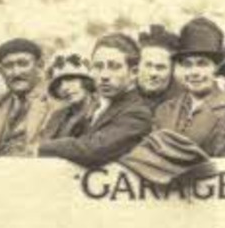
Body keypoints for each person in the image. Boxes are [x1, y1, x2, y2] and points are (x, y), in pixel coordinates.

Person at [38, 33, 154, 167]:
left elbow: (93, 149)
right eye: (98, 67)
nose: (104, 75)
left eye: (114, 67)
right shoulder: (101, 108)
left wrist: (40, 147)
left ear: (133, 73)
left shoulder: (137, 113)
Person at [152, 17, 225, 155]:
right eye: (187, 64)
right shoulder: (163, 111)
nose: (194, 72)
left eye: (202, 64)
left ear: (217, 68)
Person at [39, 53, 95, 142]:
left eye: (70, 79)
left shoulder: (102, 112)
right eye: (58, 84)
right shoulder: (56, 117)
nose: (64, 88)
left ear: (86, 82)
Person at [135, 25, 183, 109]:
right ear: (137, 66)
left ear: (172, 70)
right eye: (148, 65)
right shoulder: (120, 97)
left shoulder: (182, 104)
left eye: (161, 67)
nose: (153, 73)